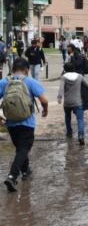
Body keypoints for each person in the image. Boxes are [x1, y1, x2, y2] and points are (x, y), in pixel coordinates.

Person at [0, 58, 49, 192]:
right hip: (27, 123)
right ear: (27, 70)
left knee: (21, 149)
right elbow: (44, 100)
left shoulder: (4, 82)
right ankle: (12, 176)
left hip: (11, 124)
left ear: (13, 68)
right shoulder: (30, 81)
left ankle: (26, 170)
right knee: (23, 149)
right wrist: (45, 110)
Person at [58, 62, 88, 145]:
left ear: (65, 69)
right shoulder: (79, 76)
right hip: (77, 102)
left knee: (68, 117)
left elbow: (61, 89)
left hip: (67, 102)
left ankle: (69, 132)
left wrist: (59, 98)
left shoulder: (63, 77)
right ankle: (81, 135)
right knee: (80, 119)